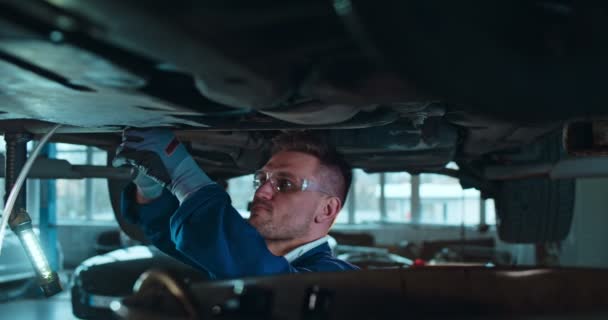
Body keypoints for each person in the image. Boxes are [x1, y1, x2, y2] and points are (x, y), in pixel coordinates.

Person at [115, 129, 358, 280]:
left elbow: (275, 285)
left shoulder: (344, 282)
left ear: (326, 210)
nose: (261, 191)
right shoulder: (238, 256)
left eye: (285, 184)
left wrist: (184, 177)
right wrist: (149, 189)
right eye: (261, 179)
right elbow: (179, 234)